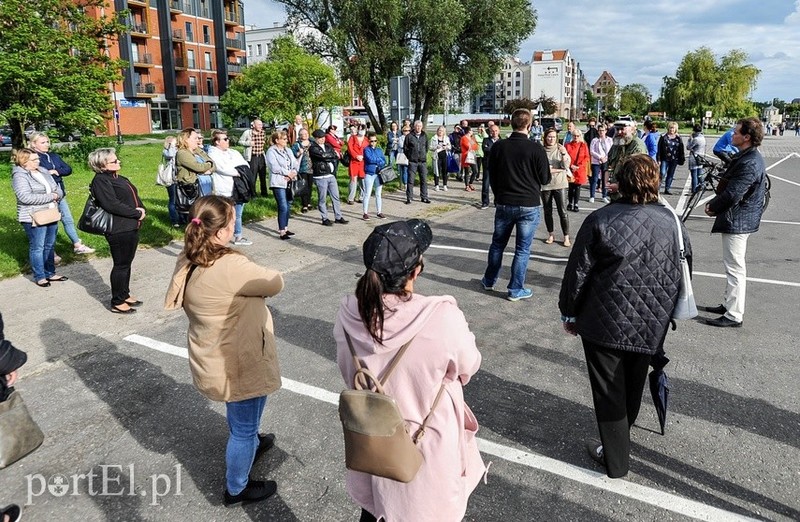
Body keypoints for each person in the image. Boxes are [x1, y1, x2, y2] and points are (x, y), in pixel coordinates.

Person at [333, 219, 486, 522]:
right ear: (416, 270)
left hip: (374, 436)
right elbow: (468, 366)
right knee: (426, 506)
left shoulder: (348, 315)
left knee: (378, 506)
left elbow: (347, 370)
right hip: (427, 439)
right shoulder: (441, 317)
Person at [559, 154, 692, 479]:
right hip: (652, 318)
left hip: (604, 318)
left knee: (608, 390)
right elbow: (686, 266)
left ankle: (615, 460)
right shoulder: (672, 221)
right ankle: (619, 438)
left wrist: (569, 311)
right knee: (632, 383)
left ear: (621, 179)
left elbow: (578, 271)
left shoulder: (602, 219)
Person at [164, 195, 284, 506]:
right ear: (220, 232)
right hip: (237, 359)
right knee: (242, 427)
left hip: (216, 352)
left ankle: (253, 442)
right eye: (231, 222)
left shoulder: (190, 256)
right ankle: (236, 488)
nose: (234, 226)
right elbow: (274, 282)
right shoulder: (230, 264)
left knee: (244, 415)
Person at [702, 118, 767, 328]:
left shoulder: (750, 161)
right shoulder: (747, 156)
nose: (732, 135)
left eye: (736, 132)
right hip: (739, 217)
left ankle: (733, 315)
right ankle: (728, 304)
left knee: (735, 267)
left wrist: (712, 207)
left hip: (739, 218)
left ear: (747, 137)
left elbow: (733, 193)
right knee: (732, 265)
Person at [481, 109, 551, 301]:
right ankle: (515, 288)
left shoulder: (499, 147)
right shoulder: (535, 149)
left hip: (504, 201)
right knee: (522, 249)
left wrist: (498, 194)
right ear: (529, 125)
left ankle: (489, 280)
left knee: (497, 244)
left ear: (511, 123)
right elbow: (545, 178)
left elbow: (491, 175)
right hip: (528, 203)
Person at [88, 148, 145, 314]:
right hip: (118, 228)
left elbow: (133, 196)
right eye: (114, 161)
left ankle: (124, 293)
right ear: (102, 165)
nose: (118, 162)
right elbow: (111, 204)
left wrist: (142, 209)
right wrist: (135, 213)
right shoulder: (100, 181)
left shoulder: (119, 178)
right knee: (121, 264)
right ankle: (117, 301)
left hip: (130, 225)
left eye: (117, 159)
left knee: (127, 262)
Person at [29, 132, 94, 256]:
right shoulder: (34, 158)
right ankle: (51, 253)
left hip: (60, 192)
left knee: (67, 219)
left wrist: (57, 171)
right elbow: (39, 173)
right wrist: (50, 173)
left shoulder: (53, 156)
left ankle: (77, 245)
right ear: (33, 144)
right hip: (47, 195)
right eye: (42, 142)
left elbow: (68, 169)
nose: (46, 144)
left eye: (47, 142)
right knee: (51, 222)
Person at [11, 148, 66, 287]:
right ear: (24, 161)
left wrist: (57, 195)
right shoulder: (20, 175)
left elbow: (57, 188)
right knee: (37, 246)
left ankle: (50, 273)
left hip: (51, 212)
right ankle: (40, 275)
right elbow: (25, 197)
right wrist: (51, 197)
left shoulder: (43, 171)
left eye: (37, 158)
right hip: (33, 216)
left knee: (50, 244)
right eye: (34, 159)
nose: (38, 161)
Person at [207, 129, 252, 246]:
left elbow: (245, 165)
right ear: (217, 142)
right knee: (224, 215)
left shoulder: (233, 152)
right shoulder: (213, 154)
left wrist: (239, 170)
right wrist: (237, 171)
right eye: (225, 139)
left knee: (237, 214)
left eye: (228, 138)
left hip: (239, 187)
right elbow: (222, 168)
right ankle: (218, 237)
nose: (228, 141)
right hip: (224, 188)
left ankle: (238, 235)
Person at [309, 129, 349, 226]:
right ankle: (325, 218)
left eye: (323, 138)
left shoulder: (328, 146)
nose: (322, 140)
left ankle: (338, 217)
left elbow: (334, 155)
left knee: (335, 196)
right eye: (320, 138)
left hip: (331, 175)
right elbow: (323, 156)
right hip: (320, 176)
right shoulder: (313, 148)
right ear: (315, 139)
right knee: (322, 198)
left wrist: (331, 155)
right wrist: (331, 155)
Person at [540, 128, 572, 247]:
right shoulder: (541, 151)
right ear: (545, 138)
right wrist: (559, 170)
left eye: (553, 137)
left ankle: (566, 237)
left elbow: (566, 166)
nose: (551, 139)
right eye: (549, 137)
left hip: (560, 184)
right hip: (546, 185)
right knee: (547, 211)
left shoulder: (560, 149)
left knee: (562, 211)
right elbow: (543, 170)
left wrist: (564, 154)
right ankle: (551, 234)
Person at [266, 131, 299, 240]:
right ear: (277, 140)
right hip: (278, 182)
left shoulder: (288, 150)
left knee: (288, 204)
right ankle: (281, 231)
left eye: (286, 139)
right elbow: (274, 167)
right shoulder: (271, 151)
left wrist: (293, 173)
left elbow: (295, 162)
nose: (286, 141)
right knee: (283, 205)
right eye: (284, 139)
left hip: (289, 180)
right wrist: (287, 173)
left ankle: (285, 227)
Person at [606, 120, 647, 197]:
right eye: (617, 129)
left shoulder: (637, 146)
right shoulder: (617, 144)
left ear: (632, 130)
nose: (619, 132)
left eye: (622, 129)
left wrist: (619, 186)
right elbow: (608, 164)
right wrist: (607, 181)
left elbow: (637, 173)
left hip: (630, 194)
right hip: (615, 194)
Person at [176, 128, 215, 196]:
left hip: (207, 186)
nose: (198, 140)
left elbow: (213, 164)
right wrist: (209, 165)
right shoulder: (182, 153)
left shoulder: (198, 151)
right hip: (192, 190)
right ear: (186, 140)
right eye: (195, 138)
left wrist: (210, 170)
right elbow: (199, 167)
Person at [238, 119, 269, 197]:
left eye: (261, 125)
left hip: (261, 156)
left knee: (263, 175)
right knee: (253, 176)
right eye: (259, 125)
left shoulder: (263, 133)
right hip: (252, 157)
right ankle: (252, 193)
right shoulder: (247, 133)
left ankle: (264, 193)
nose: (260, 126)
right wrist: (248, 143)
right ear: (254, 125)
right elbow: (240, 141)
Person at [361, 131, 387, 220]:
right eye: (372, 141)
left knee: (378, 194)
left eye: (375, 141)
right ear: (368, 141)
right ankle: (365, 213)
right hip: (370, 173)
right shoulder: (366, 149)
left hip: (379, 173)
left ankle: (379, 212)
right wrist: (379, 160)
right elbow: (369, 159)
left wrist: (379, 161)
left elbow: (384, 160)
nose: (373, 143)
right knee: (367, 193)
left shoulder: (379, 150)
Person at [403, 120, 430, 204]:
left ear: (422, 127)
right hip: (412, 162)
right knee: (410, 180)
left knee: (424, 180)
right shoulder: (409, 136)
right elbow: (405, 148)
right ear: (414, 127)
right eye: (417, 126)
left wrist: (422, 155)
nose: (418, 128)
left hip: (422, 162)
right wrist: (410, 156)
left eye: (420, 126)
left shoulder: (424, 135)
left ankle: (424, 197)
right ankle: (409, 198)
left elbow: (426, 147)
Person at [162, 136, 185, 227]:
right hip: (171, 180)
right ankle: (174, 220)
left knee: (180, 200)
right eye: (176, 142)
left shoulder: (178, 150)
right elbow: (171, 154)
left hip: (179, 179)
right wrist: (171, 146)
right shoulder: (167, 151)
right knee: (173, 200)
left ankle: (182, 218)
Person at [656, 121, 685, 195]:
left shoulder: (678, 138)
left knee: (670, 174)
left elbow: (681, 148)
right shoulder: (663, 137)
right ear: (668, 128)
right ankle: (657, 188)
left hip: (674, 158)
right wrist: (658, 159)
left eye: (673, 128)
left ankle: (667, 188)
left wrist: (681, 158)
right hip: (665, 158)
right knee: (662, 173)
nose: (672, 129)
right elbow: (659, 148)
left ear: (676, 129)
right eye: (671, 128)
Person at [565, 129, 589, 212]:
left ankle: (576, 203)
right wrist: (570, 165)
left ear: (580, 136)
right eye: (574, 135)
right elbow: (565, 156)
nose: (576, 137)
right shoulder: (568, 145)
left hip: (580, 169)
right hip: (570, 168)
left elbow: (586, 157)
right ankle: (570, 202)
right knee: (571, 187)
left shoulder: (583, 145)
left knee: (578, 187)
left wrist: (579, 166)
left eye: (578, 136)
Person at [290, 128, 314, 213]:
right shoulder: (297, 145)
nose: (305, 135)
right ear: (299, 136)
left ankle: (308, 202)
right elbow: (292, 156)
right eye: (303, 134)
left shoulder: (312, 143)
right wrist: (299, 153)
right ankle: (304, 204)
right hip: (302, 168)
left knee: (310, 186)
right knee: (304, 186)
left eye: (306, 133)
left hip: (312, 168)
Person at [589, 124, 612, 203]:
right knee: (595, 179)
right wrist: (600, 157)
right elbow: (592, 151)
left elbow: (611, 151)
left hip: (606, 161)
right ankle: (592, 196)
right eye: (600, 131)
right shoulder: (594, 140)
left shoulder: (609, 140)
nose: (601, 132)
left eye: (603, 130)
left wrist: (606, 158)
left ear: (606, 131)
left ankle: (604, 196)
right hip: (596, 161)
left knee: (605, 179)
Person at [480, 124, 501, 209]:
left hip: (499, 166)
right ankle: (485, 202)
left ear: (498, 131)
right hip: (488, 165)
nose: (494, 133)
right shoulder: (486, 140)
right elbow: (486, 150)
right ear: (490, 132)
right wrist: (495, 150)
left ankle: (497, 201)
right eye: (492, 131)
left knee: (498, 185)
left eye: (496, 131)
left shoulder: (502, 141)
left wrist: (491, 149)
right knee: (485, 184)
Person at [346, 125, 367, 205]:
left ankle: (362, 197)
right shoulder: (352, 138)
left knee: (363, 180)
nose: (361, 130)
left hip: (363, 162)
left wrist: (363, 156)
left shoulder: (366, 139)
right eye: (360, 129)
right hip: (354, 161)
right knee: (353, 180)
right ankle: (351, 198)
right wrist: (356, 156)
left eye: (363, 129)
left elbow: (368, 149)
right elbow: (350, 148)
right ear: (357, 129)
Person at [429, 125, 451, 191]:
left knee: (445, 170)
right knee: (437, 171)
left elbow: (450, 147)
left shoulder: (446, 138)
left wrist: (446, 147)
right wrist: (436, 147)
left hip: (444, 156)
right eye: (439, 130)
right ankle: (436, 185)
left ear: (444, 132)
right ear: (437, 131)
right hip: (436, 156)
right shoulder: (434, 138)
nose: (440, 132)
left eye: (442, 131)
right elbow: (430, 147)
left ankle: (445, 185)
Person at [686, 124, 706, 193]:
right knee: (699, 173)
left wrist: (689, 139)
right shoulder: (703, 137)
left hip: (694, 157)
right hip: (701, 157)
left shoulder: (695, 139)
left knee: (694, 175)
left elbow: (688, 147)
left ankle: (694, 189)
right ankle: (702, 185)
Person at [459, 127, 479, 191]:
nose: (472, 132)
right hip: (466, 156)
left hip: (472, 155)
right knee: (467, 171)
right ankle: (467, 185)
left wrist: (472, 145)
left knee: (475, 171)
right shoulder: (464, 138)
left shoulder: (471, 138)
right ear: (469, 131)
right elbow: (467, 146)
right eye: (471, 130)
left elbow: (476, 147)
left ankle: (471, 183)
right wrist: (471, 145)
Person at [397, 124, 411, 190]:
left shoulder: (411, 137)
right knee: (404, 170)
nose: (407, 132)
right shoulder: (400, 138)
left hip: (410, 155)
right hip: (403, 155)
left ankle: (408, 182)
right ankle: (405, 184)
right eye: (405, 130)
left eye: (408, 130)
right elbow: (402, 145)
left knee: (409, 170)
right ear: (403, 131)